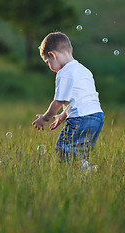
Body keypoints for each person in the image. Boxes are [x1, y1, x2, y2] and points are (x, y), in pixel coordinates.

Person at [32, 32, 104, 162]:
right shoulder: (84, 69)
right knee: (80, 152)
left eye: (48, 63)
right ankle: (86, 173)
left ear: (52, 55)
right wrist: (63, 115)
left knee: (63, 148)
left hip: (80, 119)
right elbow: (79, 100)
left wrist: (45, 118)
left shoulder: (64, 73)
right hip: (97, 117)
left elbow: (58, 101)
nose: (50, 67)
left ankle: (81, 173)